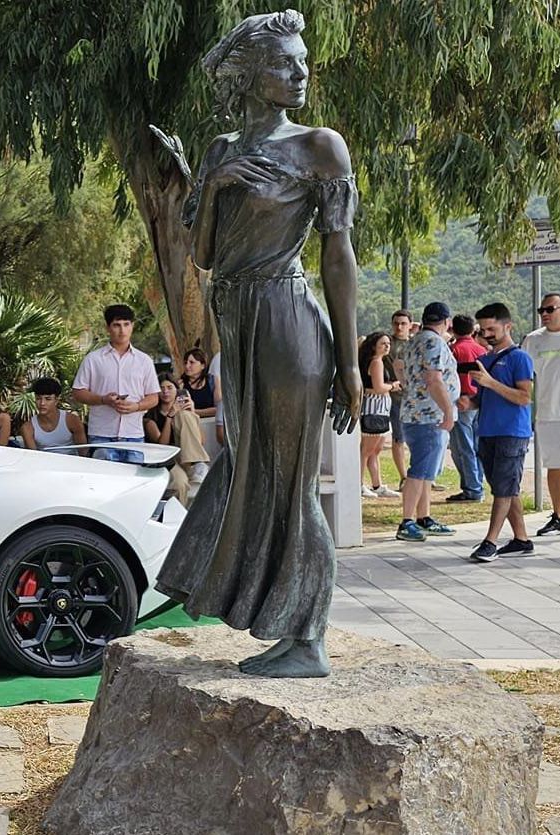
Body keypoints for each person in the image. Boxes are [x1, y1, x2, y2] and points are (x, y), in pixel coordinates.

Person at [152, 10, 362, 679]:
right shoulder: (220, 149)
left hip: (287, 319)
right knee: (250, 473)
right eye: (283, 63)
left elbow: (338, 255)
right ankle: (274, 615)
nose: (299, 73)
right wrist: (212, 185)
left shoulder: (319, 146)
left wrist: (352, 363)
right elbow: (207, 255)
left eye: (302, 61)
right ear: (248, 76)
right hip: (235, 321)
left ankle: (307, 637)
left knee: (292, 485)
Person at [469, 303, 535, 561]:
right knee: (505, 486)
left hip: (512, 432)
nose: (487, 334)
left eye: (492, 328)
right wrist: (469, 401)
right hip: (487, 431)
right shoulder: (484, 360)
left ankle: (490, 541)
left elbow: (524, 397)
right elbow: (483, 398)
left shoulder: (520, 358)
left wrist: (490, 382)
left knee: (504, 490)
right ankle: (521, 538)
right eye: (483, 329)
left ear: (508, 326)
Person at [396, 302, 459, 542]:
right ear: (446, 322)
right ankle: (407, 521)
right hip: (429, 416)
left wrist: (408, 385)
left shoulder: (413, 341)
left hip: (414, 412)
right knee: (419, 471)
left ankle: (424, 517)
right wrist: (448, 411)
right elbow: (434, 379)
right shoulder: (434, 342)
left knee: (426, 471)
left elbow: (399, 366)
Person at [71, 304, 159, 463]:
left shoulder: (144, 360)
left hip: (133, 434)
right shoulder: (93, 359)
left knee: (133, 483)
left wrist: (136, 406)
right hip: (102, 434)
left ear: (133, 326)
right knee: (103, 483)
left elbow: (153, 397)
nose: (122, 330)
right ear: (108, 328)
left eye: (126, 324)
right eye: (117, 325)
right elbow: (78, 392)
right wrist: (103, 400)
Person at [524, 292, 560, 537]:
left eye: (550, 309)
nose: (545, 314)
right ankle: (558, 515)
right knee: (555, 467)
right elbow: (523, 375)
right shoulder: (533, 340)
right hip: (548, 413)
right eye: (541, 311)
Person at [144, 375, 212, 505]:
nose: (165, 392)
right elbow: (162, 444)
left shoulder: (184, 413)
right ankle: (179, 520)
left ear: (177, 389)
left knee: (185, 415)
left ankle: (196, 463)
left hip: (186, 455)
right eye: (161, 388)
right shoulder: (150, 417)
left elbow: (201, 441)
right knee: (181, 483)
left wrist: (193, 413)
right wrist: (170, 416)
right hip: (168, 459)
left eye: (170, 387)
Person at [446, 313, 488, 502]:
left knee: (463, 448)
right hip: (479, 401)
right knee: (477, 446)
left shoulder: (452, 350)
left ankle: (472, 488)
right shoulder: (482, 350)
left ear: (452, 329)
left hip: (460, 401)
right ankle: (478, 483)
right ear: (473, 330)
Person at [357, 331, 401, 498]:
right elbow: (378, 387)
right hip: (374, 406)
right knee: (367, 449)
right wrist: (393, 386)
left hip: (381, 407)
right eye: (383, 343)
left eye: (388, 343)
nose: (387, 346)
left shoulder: (378, 362)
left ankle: (377, 484)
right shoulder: (376, 363)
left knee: (375, 449)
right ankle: (359, 483)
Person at [21, 377, 86, 451]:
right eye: (38, 398)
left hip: (71, 460)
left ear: (56, 400)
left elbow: (83, 452)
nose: (42, 403)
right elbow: (33, 456)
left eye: (48, 399)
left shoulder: (72, 421)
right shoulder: (28, 428)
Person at [388, 309, 414, 486]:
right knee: (398, 438)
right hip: (394, 398)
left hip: (414, 399)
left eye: (403, 323)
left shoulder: (415, 344)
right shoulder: (386, 343)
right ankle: (403, 476)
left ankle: (418, 474)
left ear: (410, 325)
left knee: (416, 438)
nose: (399, 327)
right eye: (396, 323)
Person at [180, 348, 218, 418]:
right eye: (185, 363)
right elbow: (181, 410)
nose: (187, 366)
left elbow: (219, 409)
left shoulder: (213, 381)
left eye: (191, 362)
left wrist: (194, 411)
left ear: (203, 365)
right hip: (191, 425)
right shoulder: (180, 384)